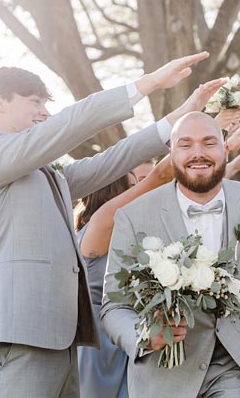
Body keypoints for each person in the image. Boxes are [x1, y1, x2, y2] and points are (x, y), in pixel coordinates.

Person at [0, 51, 221, 396]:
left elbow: (112, 161)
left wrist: (178, 120)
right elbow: (68, 124)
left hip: (64, 338)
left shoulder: (45, 172)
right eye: (34, 101)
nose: (45, 112)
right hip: (18, 333)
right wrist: (147, 83)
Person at [101, 112, 240, 398]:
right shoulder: (134, 216)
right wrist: (144, 337)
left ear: (225, 149)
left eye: (209, 143)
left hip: (238, 369)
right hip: (164, 374)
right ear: (171, 152)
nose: (198, 153)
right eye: (186, 144)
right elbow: (113, 307)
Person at [74, 158, 173, 398]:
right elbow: (159, 178)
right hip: (99, 344)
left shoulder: (123, 233)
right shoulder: (100, 224)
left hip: (125, 334)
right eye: (130, 186)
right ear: (111, 193)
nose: (137, 192)